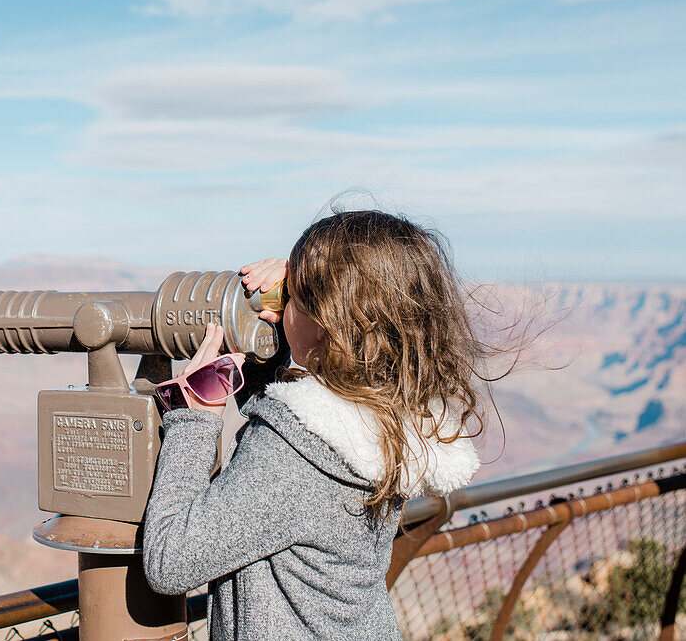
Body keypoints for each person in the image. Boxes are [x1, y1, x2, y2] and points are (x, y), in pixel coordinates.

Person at [142, 210, 490, 640]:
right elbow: (278, 499)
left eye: (295, 297)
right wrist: (277, 346)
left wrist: (194, 418)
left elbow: (171, 560)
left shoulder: (300, 453)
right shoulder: (380, 417)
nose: (283, 305)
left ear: (326, 320)